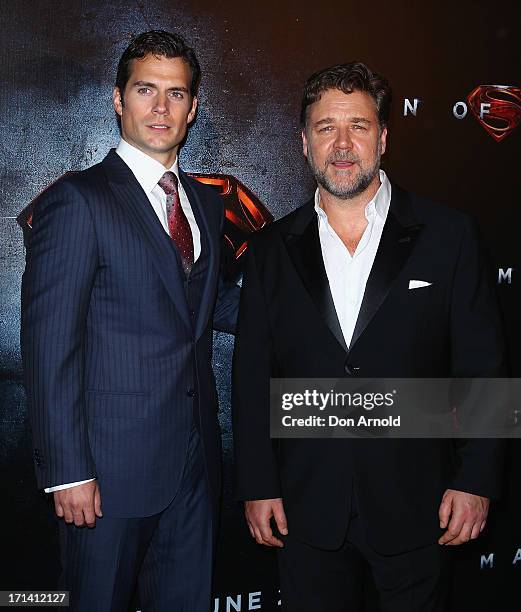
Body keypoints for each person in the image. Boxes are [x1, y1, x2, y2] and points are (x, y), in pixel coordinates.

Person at [232, 62, 506, 611]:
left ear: (383, 137)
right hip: (306, 508)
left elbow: (483, 367)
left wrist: (477, 477)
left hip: (419, 503)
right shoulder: (269, 251)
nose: (341, 143)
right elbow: (252, 375)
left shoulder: (449, 236)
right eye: (326, 127)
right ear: (304, 142)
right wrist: (258, 484)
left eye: (357, 126)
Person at [21, 30, 239, 611]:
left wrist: (313, 309)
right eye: (146, 90)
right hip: (106, 476)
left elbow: (206, 303)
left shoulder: (204, 203)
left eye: (176, 93)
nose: (161, 108)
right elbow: (48, 346)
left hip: (194, 468)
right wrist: (67, 471)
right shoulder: (78, 200)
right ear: (118, 99)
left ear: (193, 107)